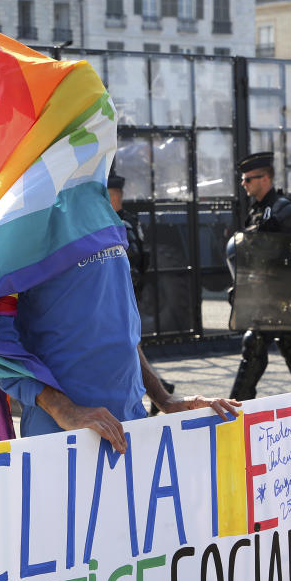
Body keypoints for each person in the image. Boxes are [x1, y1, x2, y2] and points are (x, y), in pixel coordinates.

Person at [0, 174, 239, 453]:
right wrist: (62, 408)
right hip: (62, 439)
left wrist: (164, 399)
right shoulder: (18, 212)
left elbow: (121, 328)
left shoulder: (99, 204)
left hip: (129, 426)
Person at [229, 151, 291, 418]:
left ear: (264, 179)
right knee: (290, 346)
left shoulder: (282, 209)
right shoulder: (259, 211)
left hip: (279, 293)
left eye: (248, 180)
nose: (244, 185)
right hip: (267, 293)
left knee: (255, 346)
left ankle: (234, 408)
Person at [107, 167, 178, 416]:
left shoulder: (120, 223)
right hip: (127, 295)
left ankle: (154, 390)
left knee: (128, 346)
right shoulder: (128, 220)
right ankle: (158, 388)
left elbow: (130, 262)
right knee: (130, 347)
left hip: (123, 296)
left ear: (113, 196)